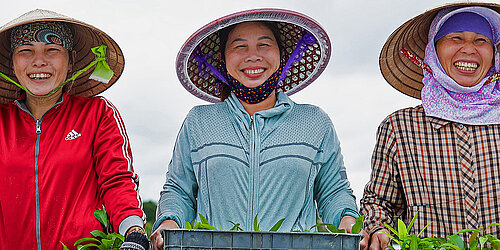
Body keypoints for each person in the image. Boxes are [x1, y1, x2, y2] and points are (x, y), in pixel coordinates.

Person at [150, 8, 369, 250]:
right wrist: (169, 220)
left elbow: (333, 191)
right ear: (223, 59)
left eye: (264, 45)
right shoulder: (199, 121)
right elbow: (179, 190)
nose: (253, 56)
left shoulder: (314, 121)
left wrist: (347, 219)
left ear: (282, 55)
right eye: (239, 46)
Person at [0, 9, 149, 250]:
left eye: (53, 50)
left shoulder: (98, 114)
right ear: (12, 62)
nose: (39, 61)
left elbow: (117, 181)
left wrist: (134, 231)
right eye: (25, 51)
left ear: (71, 61)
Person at [360, 3, 500, 249]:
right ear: (433, 52)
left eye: (481, 40)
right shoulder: (399, 127)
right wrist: (378, 227)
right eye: (455, 38)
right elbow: (379, 202)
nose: (469, 49)